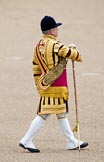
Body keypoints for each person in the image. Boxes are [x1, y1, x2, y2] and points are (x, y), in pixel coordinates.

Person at [19, 16, 88, 153]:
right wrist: (73, 49)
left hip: (46, 84)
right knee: (44, 113)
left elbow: (35, 68)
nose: (57, 30)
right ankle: (26, 139)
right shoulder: (56, 45)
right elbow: (77, 56)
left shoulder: (38, 45)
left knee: (61, 113)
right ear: (51, 31)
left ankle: (71, 141)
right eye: (56, 28)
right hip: (57, 85)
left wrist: (39, 85)